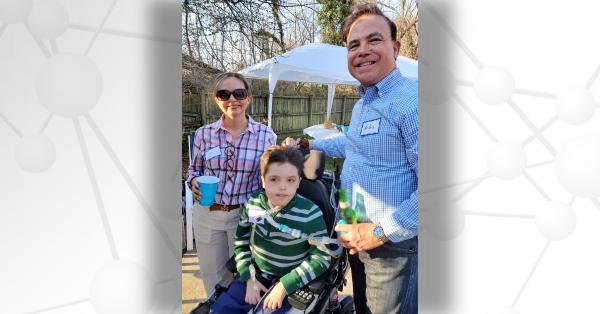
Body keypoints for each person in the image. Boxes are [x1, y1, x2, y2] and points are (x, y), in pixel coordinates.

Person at [283, 3, 418, 313]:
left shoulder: (412, 102)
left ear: (395, 48)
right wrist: (312, 142)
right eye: (353, 45)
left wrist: (380, 231)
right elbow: (353, 143)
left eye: (374, 40)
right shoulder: (363, 104)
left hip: (390, 244)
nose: (362, 51)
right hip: (355, 231)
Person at [210, 145, 333, 313]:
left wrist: (285, 285)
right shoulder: (252, 204)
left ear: (298, 182)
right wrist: (248, 277)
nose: (282, 187)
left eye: (290, 180)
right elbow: (241, 242)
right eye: (274, 179)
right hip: (256, 274)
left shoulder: (309, 213)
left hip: (293, 281)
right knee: (219, 309)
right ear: (262, 179)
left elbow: (322, 256)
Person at [187, 72, 277, 294]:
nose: (232, 99)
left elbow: (270, 178)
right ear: (216, 99)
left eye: (239, 93)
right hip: (208, 214)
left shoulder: (266, 136)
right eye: (224, 94)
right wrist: (194, 181)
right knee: (212, 276)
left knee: (246, 276)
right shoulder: (203, 134)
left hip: (246, 217)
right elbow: (193, 170)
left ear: (248, 98)